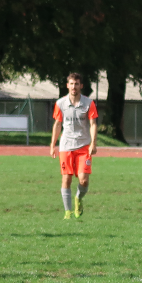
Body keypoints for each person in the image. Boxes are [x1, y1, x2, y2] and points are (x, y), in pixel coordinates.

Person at [50, 72, 99, 219]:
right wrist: (53, 145)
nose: (74, 87)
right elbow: (57, 124)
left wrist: (93, 143)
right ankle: (68, 212)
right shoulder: (60, 104)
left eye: (76, 84)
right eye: (71, 84)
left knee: (83, 179)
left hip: (83, 146)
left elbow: (93, 124)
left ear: (81, 86)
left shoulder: (89, 103)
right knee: (66, 179)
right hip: (66, 146)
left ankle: (78, 198)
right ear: (67, 85)